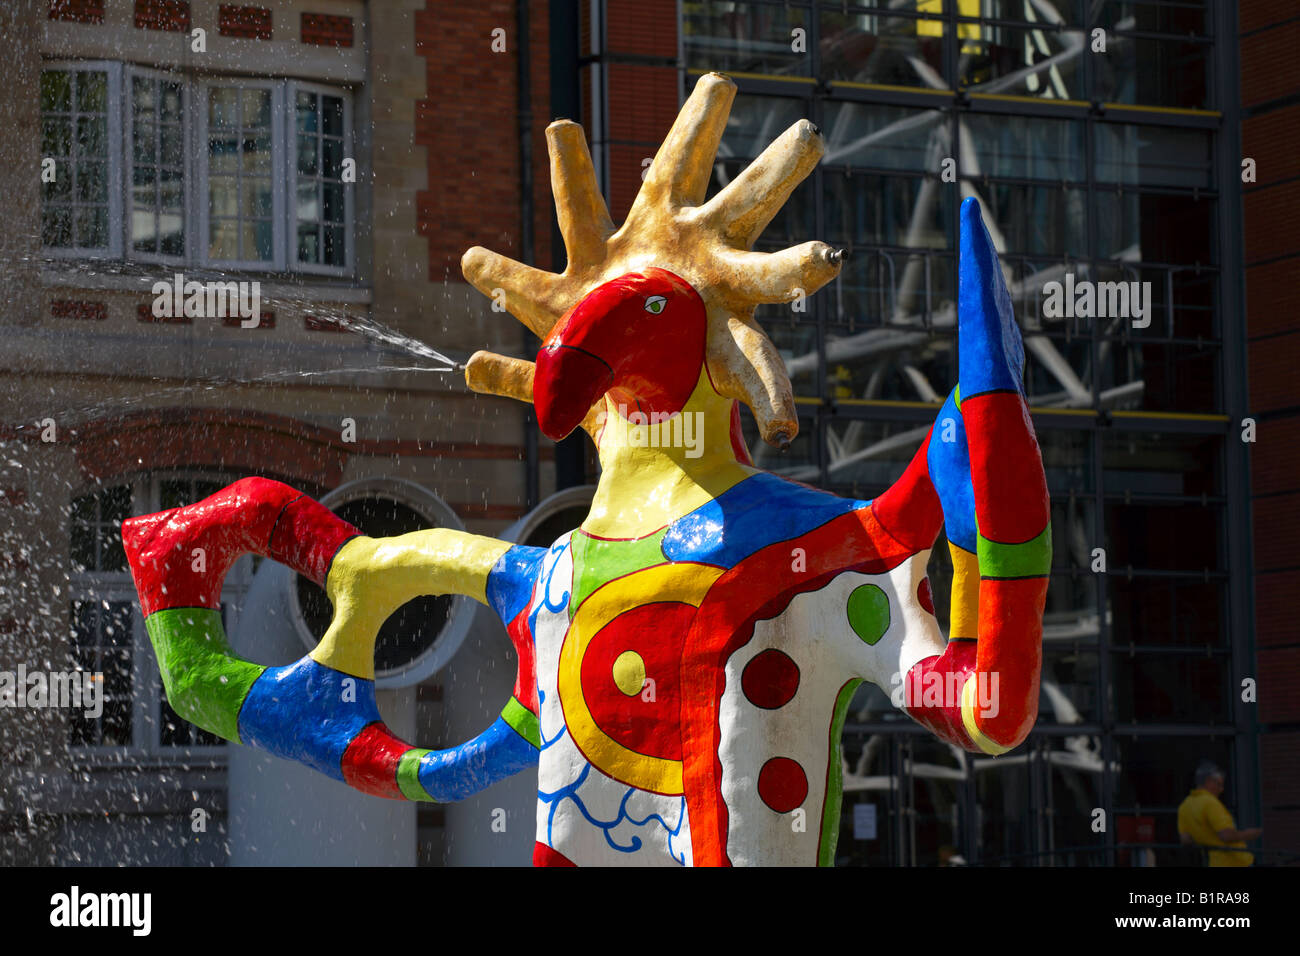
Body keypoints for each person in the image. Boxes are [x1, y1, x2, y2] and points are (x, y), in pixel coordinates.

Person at [1176, 761, 1262, 867]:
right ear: (1209, 782)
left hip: (1212, 862)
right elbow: (1226, 835)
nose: (1221, 790)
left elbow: (1185, 839)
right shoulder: (1210, 803)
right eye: (1219, 784)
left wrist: (1205, 838)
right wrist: (1250, 834)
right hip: (1234, 861)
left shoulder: (1185, 806)